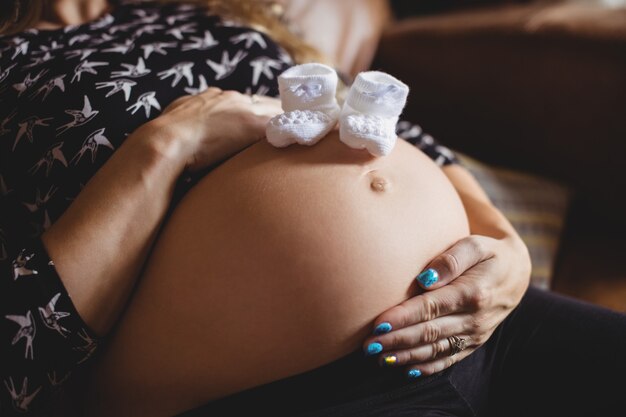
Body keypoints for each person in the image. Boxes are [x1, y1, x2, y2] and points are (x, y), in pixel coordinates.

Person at [0, 1, 625, 417]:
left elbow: (396, 130)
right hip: (300, 386)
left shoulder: (203, 15)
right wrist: (168, 143)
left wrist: (507, 249)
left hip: (486, 320)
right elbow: (19, 355)